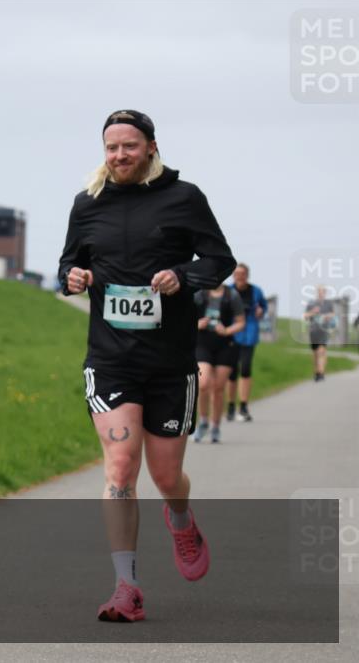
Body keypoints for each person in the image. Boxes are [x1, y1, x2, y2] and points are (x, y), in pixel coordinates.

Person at [58, 110, 235, 622]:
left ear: (151, 147)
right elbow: (68, 263)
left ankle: (180, 518)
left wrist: (183, 276)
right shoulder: (88, 203)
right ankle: (126, 587)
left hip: (170, 363)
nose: (120, 155)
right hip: (111, 359)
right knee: (119, 467)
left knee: (166, 475)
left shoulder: (184, 198)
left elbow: (219, 260)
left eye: (129, 146)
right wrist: (73, 277)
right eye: (111, 147)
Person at [193, 285, 245, 443]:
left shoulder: (232, 295)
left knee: (218, 389)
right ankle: (203, 421)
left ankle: (215, 426)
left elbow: (241, 322)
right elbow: (183, 317)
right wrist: (197, 323)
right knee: (203, 384)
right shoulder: (199, 294)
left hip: (225, 345)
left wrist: (227, 330)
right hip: (202, 343)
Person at [226, 264, 267, 422]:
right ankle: (231, 405)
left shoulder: (256, 291)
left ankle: (243, 406)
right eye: (237, 273)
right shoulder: (228, 291)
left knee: (245, 369)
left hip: (249, 334)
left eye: (242, 273)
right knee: (231, 372)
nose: (240, 276)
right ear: (233, 275)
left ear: (247, 275)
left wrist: (260, 311)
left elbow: (263, 306)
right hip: (231, 335)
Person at [304, 286, 335, 381]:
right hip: (314, 331)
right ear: (317, 293)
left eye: (322, 292)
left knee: (321, 351)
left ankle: (321, 372)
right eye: (319, 292)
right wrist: (313, 312)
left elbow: (333, 314)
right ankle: (317, 372)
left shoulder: (329, 303)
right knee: (315, 353)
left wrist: (328, 316)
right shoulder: (311, 303)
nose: (321, 293)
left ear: (325, 293)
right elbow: (305, 316)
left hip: (324, 330)